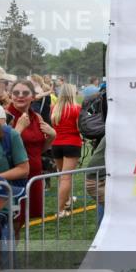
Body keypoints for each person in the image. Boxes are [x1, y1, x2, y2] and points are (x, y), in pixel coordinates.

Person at [6, 79, 55, 230]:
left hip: (34, 176)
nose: (20, 96)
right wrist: (18, 130)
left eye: (25, 93)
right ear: (10, 95)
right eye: (16, 92)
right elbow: (3, 150)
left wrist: (52, 136)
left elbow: (39, 149)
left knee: (21, 223)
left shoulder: (37, 117)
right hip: (15, 177)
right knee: (12, 223)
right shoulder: (6, 116)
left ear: (33, 97)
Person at [51, 83, 82, 218]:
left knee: (62, 175)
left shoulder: (54, 108)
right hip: (72, 144)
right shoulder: (76, 108)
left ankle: (67, 199)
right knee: (66, 177)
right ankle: (60, 210)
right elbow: (79, 128)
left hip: (56, 144)